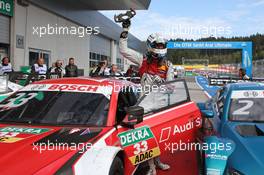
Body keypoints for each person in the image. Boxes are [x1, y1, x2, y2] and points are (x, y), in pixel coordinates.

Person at [119, 16, 173, 175]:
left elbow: (171, 88)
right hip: (144, 105)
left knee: (158, 136)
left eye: (162, 45)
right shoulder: (141, 60)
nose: (160, 48)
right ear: (151, 46)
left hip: (160, 106)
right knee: (147, 137)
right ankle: (151, 167)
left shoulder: (169, 65)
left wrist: (162, 84)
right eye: (158, 45)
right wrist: (125, 31)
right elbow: (123, 50)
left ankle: (158, 161)